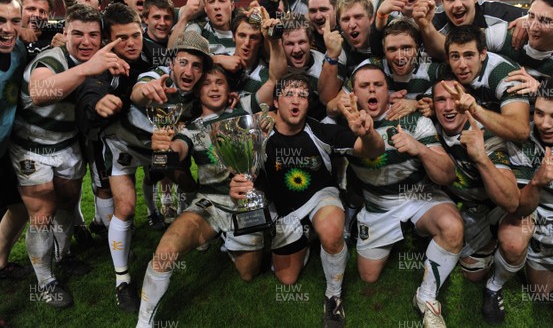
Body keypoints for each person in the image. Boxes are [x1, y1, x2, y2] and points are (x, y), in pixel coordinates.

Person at [136, 50, 282, 327]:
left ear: (230, 90)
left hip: (247, 204)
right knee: (166, 250)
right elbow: (174, 155)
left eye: (220, 83)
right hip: (210, 204)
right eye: (206, 83)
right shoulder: (189, 129)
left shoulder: (245, 111)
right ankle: (144, 323)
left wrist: (271, 116)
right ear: (198, 92)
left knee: (248, 274)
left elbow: (274, 83)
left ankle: (233, 240)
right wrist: (161, 150)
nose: (213, 88)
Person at [230, 72, 385, 327]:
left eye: (302, 95)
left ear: (308, 103)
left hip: (321, 198)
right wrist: (237, 183)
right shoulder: (258, 135)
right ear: (277, 102)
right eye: (289, 93)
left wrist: (368, 134)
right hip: (286, 212)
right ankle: (306, 237)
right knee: (287, 279)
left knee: (332, 232)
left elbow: (374, 150)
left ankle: (333, 298)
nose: (296, 100)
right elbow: (237, 168)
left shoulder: (321, 131)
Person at [10, 4, 128, 308]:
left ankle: (64, 256)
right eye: (77, 33)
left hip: (67, 145)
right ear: (65, 33)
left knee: (67, 203)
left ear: (101, 37)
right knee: (42, 214)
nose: (85, 41)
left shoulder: (101, 61)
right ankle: (46, 282)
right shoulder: (51, 59)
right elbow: (39, 92)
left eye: (93, 35)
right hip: (31, 146)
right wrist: (88, 69)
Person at [102, 30, 210, 312]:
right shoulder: (155, 77)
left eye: (197, 66)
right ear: (171, 63)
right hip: (126, 143)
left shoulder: (195, 92)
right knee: (125, 206)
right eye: (184, 62)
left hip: (159, 149)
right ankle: (122, 280)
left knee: (185, 180)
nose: (189, 70)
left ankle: (193, 228)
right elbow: (141, 92)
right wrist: (148, 93)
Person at [345, 64, 459, 327]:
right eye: (364, 86)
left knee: (452, 228)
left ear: (389, 91)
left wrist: (420, 149)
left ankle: (427, 297)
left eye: (378, 85)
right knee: (367, 276)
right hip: (378, 205)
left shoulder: (414, 121)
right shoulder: (344, 126)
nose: (372, 90)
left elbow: (447, 175)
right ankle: (404, 233)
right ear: (353, 94)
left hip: (419, 196)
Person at [482, 76, 553, 324]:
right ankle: (494, 285)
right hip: (537, 211)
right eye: (540, 114)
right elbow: (520, 206)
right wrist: (537, 180)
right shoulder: (524, 140)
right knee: (539, 290)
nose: (544, 124)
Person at [431, 78, 520, 283]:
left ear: (467, 100)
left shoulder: (486, 134)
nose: (448, 107)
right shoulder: (432, 127)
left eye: (455, 98)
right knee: (471, 272)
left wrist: (481, 158)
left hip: (495, 206)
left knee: (480, 269)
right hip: (465, 203)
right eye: (440, 100)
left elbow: (512, 201)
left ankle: (497, 235)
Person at [438, 25, 530, 143]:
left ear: (482, 54)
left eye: (469, 55)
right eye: (455, 56)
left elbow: (521, 132)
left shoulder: (504, 76)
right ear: (447, 58)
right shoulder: (447, 70)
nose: (462, 65)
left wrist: (475, 110)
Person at [412, 0, 526, 60]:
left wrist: (529, 18)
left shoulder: (496, 12)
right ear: (442, 1)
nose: (457, 5)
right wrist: (425, 26)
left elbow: (541, 14)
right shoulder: (432, 21)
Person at [0, 0, 30, 280]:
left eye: (14, 20)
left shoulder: (17, 49)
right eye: (0, 20)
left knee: (19, 207)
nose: (8, 29)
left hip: (3, 152)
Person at [318, 0, 375, 105]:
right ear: (339, 24)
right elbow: (326, 99)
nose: (352, 24)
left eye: (358, 17)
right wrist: (331, 55)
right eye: (346, 19)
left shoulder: (385, 38)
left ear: (371, 19)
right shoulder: (339, 45)